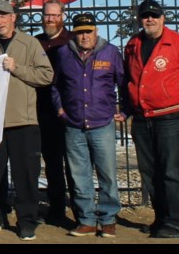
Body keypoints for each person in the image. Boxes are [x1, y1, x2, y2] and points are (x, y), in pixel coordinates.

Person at [123, 0, 179, 239]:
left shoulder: (178, 43)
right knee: (149, 172)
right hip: (141, 118)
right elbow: (128, 77)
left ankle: (173, 221)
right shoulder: (133, 45)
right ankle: (160, 218)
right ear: (140, 19)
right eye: (145, 16)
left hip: (168, 119)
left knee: (170, 171)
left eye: (154, 16)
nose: (150, 19)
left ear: (163, 18)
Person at [0, 1, 54, 241]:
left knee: (26, 175)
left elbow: (46, 75)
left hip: (23, 120)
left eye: (3, 16)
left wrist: (17, 68)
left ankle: (27, 221)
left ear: (13, 18)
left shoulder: (29, 44)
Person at [51, 13, 126, 238]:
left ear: (96, 31)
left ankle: (108, 219)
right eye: (80, 31)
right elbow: (55, 85)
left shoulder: (110, 52)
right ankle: (86, 220)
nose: (84, 36)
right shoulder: (64, 53)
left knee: (107, 174)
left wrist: (125, 110)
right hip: (73, 124)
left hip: (102, 123)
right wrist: (60, 108)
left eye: (88, 31)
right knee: (79, 175)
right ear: (74, 33)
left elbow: (123, 82)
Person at [34, 0, 74, 225]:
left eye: (55, 15)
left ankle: (79, 211)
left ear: (62, 17)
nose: (50, 19)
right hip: (42, 110)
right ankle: (56, 209)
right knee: (51, 164)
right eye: (47, 15)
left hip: (68, 111)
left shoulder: (70, 41)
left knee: (73, 164)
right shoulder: (36, 42)